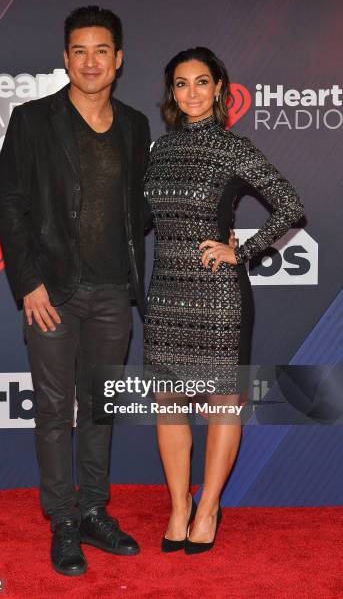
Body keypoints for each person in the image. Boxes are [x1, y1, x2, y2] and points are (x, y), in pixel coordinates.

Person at [0, 5, 152, 576]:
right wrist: (28, 282)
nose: (91, 61)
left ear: (119, 60)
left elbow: (140, 208)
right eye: (80, 50)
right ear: (65, 58)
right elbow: (11, 205)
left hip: (115, 292)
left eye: (102, 50)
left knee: (102, 410)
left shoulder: (136, 126)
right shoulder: (33, 119)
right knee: (55, 411)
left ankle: (92, 510)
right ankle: (62, 521)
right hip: (53, 292)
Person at [143, 47, 305, 555]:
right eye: (181, 84)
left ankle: (209, 507)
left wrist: (245, 252)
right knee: (168, 405)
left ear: (219, 88)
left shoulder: (235, 148)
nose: (191, 92)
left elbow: (290, 205)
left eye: (201, 82)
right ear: (172, 92)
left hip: (218, 299)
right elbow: (143, 220)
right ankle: (178, 507)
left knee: (220, 405)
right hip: (166, 293)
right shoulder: (159, 151)